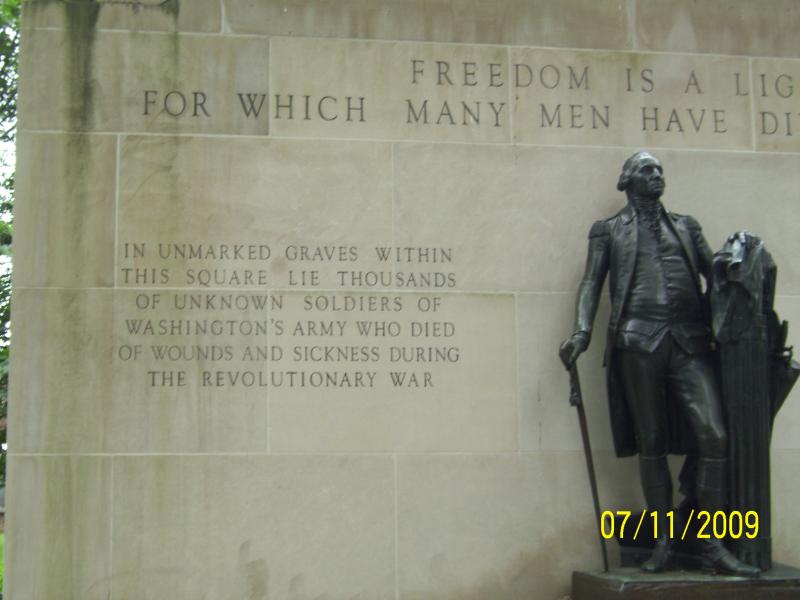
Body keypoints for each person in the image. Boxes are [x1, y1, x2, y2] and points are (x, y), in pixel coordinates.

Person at [559, 151, 758, 576]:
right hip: (637, 341)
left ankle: (713, 544)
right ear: (627, 181)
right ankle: (663, 543)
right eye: (648, 170)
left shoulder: (686, 226)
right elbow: (592, 282)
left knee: (715, 436)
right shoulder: (609, 230)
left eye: (660, 170)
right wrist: (581, 333)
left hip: (690, 342)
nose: (657, 176)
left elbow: (716, 273)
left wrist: (739, 257)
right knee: (651, 444)